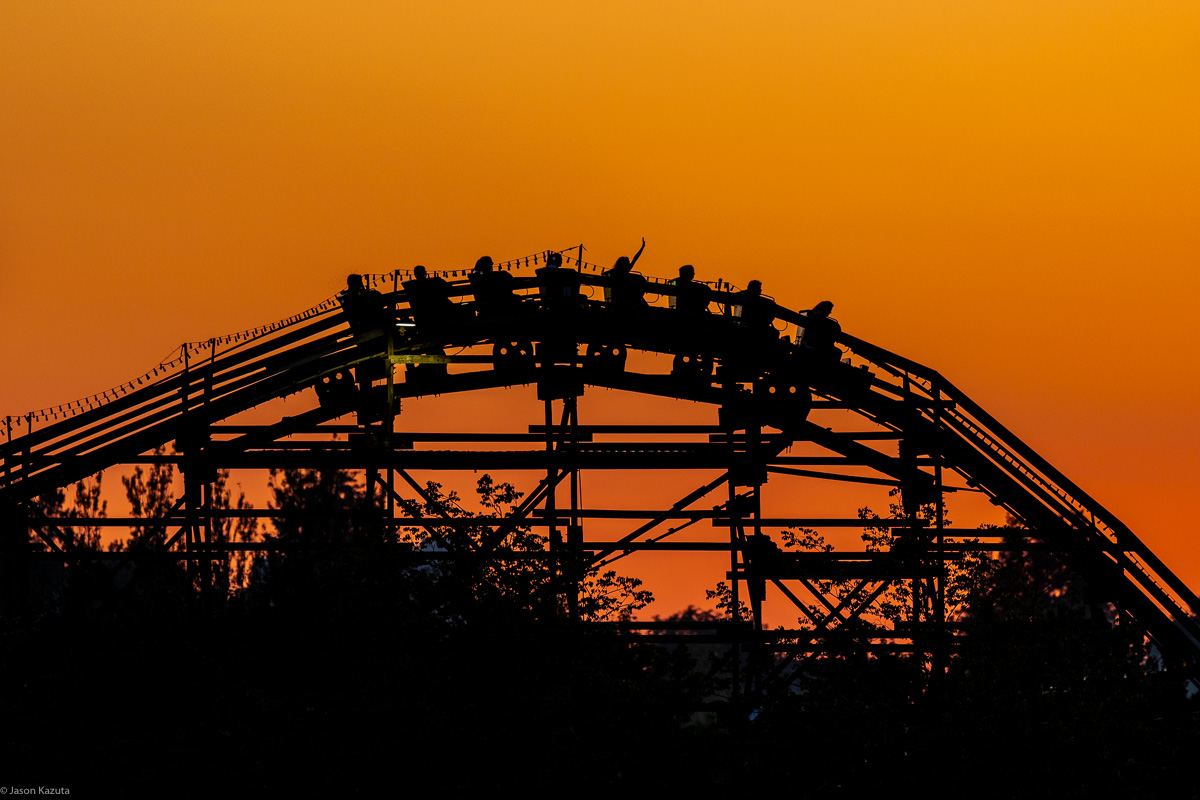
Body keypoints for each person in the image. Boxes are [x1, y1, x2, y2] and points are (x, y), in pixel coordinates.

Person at [603, 237, 648, 307]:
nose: (630, 264)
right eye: (628, 263)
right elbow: (634, 259)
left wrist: (642, 247)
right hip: (621, 300)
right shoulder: (618, 273)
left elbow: (635, 259)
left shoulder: (616, 272)